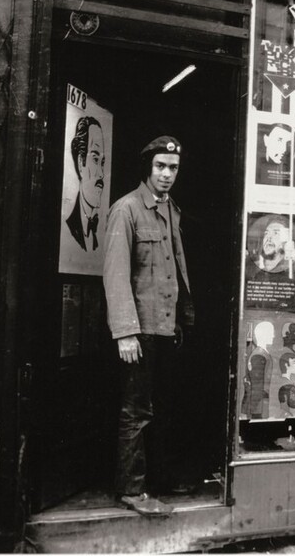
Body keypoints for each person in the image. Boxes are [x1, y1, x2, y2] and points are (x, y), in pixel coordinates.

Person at [103, 135, 194, 517]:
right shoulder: (126, 209)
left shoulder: (171, 209)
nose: (167, 174)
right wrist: (125, 332)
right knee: (136, 410)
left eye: (173, 167)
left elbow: (177, 267)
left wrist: (184, 319)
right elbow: (115, 274)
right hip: (139, 331)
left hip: (165, 327)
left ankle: (161, 477)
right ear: (148, 168)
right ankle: (131, 488)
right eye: (160, 166)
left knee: (164, 407)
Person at [66, 116, 106, 251]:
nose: (101, 173)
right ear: (80, 163)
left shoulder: (95, 236)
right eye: (95, 159)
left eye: (103, 162)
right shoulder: (71, 228)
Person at [243, 321, 274, 419]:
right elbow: (257, 387)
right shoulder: (259, 355)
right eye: (271, 332)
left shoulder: (261, 353)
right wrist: (257, 414)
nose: (273, 335)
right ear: (263, 335)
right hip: (258, 409)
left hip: (259, 407)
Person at [255, 123, 295, 187]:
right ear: (266, 140)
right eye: (279, 140)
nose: (284, 149)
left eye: (289, 144)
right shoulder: (254, 166)